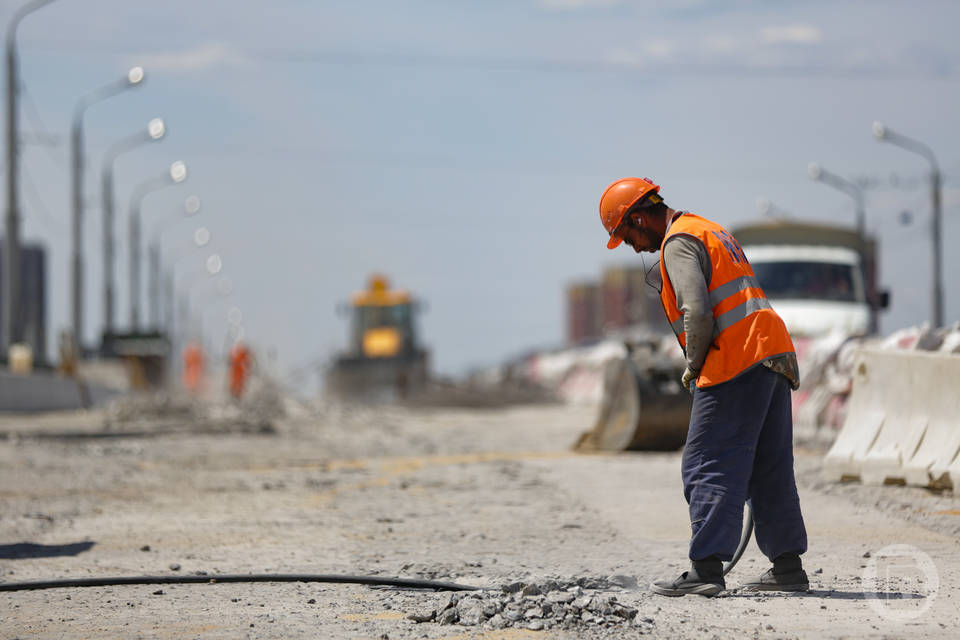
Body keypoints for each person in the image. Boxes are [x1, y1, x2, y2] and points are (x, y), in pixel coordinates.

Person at [598, 177, 809, 597]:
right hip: (772, 353)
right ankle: (787, 568)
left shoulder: (677, 242)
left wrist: (694, 368)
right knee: (769, 468)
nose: (633, 247)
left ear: (638, 217)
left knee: (706, 463)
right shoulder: (710, 229)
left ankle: (706, 569)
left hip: (735, 360)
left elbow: (697, 309)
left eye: (627, 236)